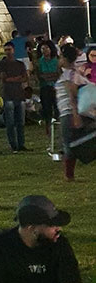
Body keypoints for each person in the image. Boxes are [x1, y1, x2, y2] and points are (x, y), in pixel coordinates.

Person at [54, 45, 89, 182]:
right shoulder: (75, 73)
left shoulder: (69, 74)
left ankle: (69, 175)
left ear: (64, 58)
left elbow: (72, 95)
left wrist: (75, 115)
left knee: (69, 144)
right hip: (71, 111)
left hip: (68, 112)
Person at [0, 41, 28, 152]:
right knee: (10, 122)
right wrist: (17, 78)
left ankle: (21, 144)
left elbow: (25, 77)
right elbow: (4, 78)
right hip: (8, 95)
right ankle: (13, 145)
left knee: (20, 122)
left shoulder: (20, 64)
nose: (8, 52)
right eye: (6, 50)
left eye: (9, 49)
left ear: (13, 50)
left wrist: (13, 79)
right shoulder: (3, 64)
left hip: (19, 95)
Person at [35, 40, 60, 140]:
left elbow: (58, 74)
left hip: (55, 87)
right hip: (45, 88)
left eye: (46, 48)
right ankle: (49, 132)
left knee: (58, 109)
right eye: (42, 49)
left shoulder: (56, 60)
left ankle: (58, 130)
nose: (44, 51)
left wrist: (49, 76)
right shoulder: (39, 62)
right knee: (47, 111)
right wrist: (51, 76)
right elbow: (41, 76)